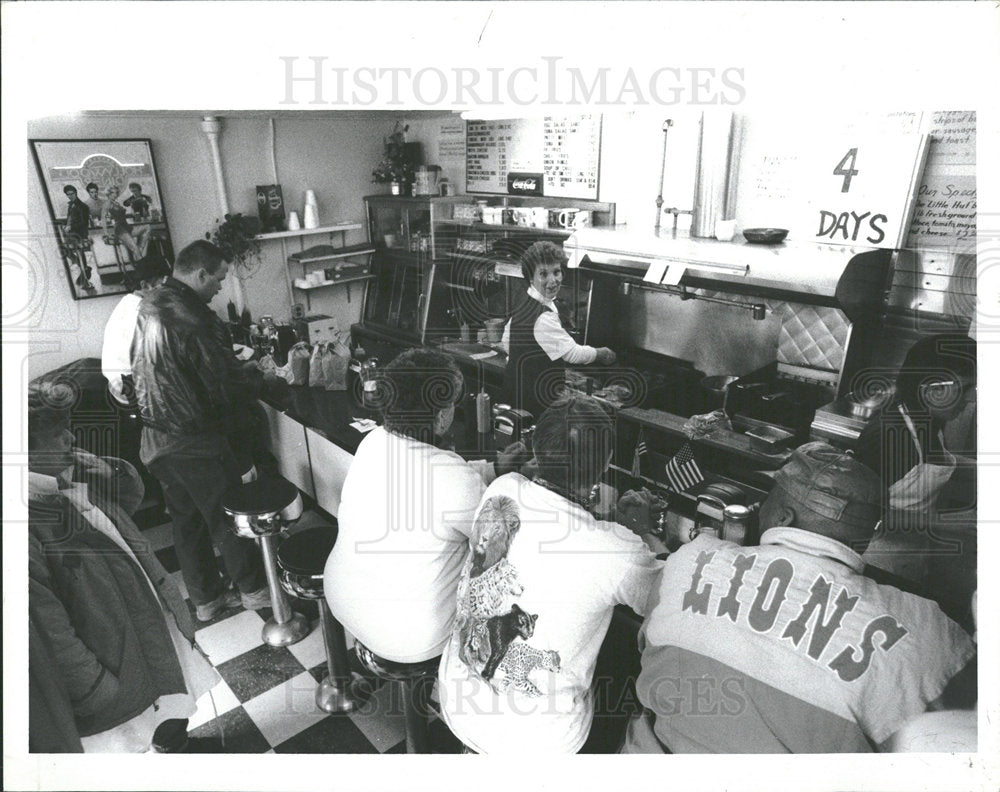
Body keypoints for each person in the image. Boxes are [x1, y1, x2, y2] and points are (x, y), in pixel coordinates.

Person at [621, 441, 976, 754]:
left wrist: (644, 530)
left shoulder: (689, 561)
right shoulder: (927, 631)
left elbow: (650, 629)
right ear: (867, 539)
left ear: (783, 516)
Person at [438, 394, 662, 754]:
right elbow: (669, 596)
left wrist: (612, 529)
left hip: (456, 701)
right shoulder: (617, 551)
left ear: (535, 448)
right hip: (541, 741)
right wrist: (640, 529)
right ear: (606, 463)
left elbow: (551, 520)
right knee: (621, 678)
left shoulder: (502, 488)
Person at [28, 379, 219, 752]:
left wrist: (109, 472)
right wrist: (95, 687)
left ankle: (175, 746)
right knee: (133, 730)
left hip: (141, 613)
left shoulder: (64, 475)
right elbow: (51, 630)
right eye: (57, 434)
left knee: (171, 695)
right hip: (109, 652)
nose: (70, 438)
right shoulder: (25, 523)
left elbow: (125, 510)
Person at [323, 348, 529, 663]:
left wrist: (495, 468)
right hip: (410, 638)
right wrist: (520, 482)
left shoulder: (373, 442)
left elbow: (434, 482)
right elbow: (503, 538)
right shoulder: (452, 477)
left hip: (343, 597)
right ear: (442, 416)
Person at [131, 240, 269, 620]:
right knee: (226, 517)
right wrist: (257, 378)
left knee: (186, 521)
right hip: (194, 439)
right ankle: (255, 591)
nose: (220, 288)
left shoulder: (149, 305)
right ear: (201, 274)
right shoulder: (195, 318)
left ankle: (206, 601)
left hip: (156, 438)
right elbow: (222, 387)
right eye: (219, 279)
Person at [855, 333, 977, 590]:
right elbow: (862, 513)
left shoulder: (928, 421)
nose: (971, 400)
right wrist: (952, 522)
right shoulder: (890, 435)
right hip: (876, 565)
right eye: (966, 389)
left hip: (908, 554)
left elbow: (932, 463)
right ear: (932, 389)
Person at [500, 241, 616, 419]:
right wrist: (602, 353)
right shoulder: (543, 317)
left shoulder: (526, 302)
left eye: (556, 272)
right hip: (536, 399)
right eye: (543, 274)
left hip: (515, 390)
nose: (553, 280)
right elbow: (573, 354)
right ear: (530, 278)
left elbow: (506, 340)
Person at [101, 254, 172, 410]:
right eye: (163, 285)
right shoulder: (142, 310)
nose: (168, 291)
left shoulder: (127, 303)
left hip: (120, 386)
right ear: (145, 285)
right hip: (132, 388)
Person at [102, 183, 150, 261]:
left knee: (147, 227)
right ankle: (140, 260)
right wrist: (106, 234)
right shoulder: (107, 204)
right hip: (120, 229)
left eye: (116, 192)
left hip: (127, 227)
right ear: (108, 193)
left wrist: (132, 213)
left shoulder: (116, 203)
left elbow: (121, 215)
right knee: (134, 248)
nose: (115, 194)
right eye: (113, 192)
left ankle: (139, 252)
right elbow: (103, 219)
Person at [62, 184, 93, 288]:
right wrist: (67, 225)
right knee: (69, 251)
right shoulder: (71, 205)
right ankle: (84, 268)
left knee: (74, 252)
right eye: (68, 194)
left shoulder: (83, 206)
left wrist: (71, 226)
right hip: (72, 234)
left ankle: (84, 271)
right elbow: (70, 218)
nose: (70, 196)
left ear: (76, 193)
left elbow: (84, 223)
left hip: (80, 234)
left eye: (72, 194)